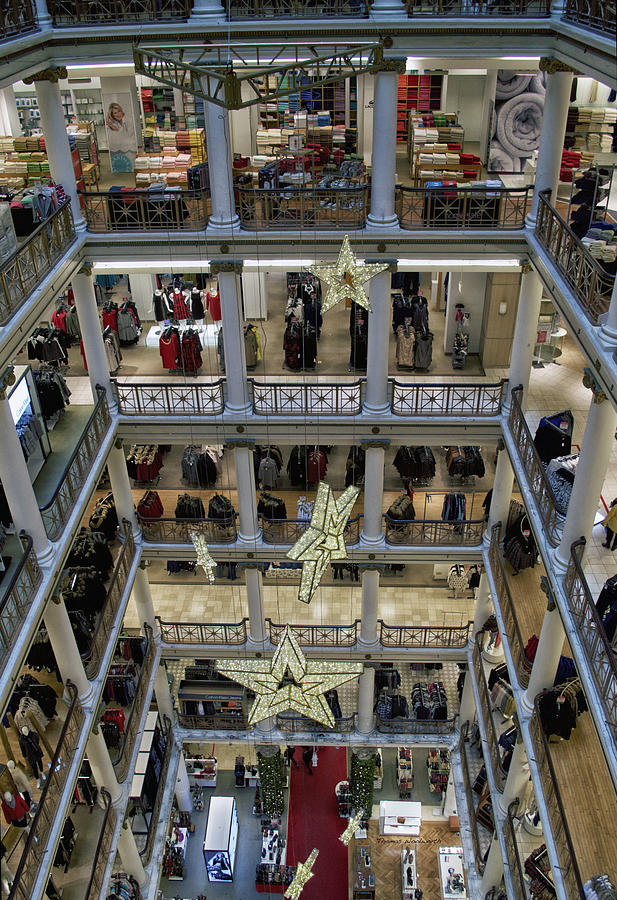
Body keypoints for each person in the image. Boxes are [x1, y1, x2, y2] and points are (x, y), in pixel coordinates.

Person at [105, 101, 135, 173]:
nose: (118, 114)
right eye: (115, 113)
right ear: (112, 115)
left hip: (130, 147)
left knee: (131, 166)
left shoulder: (128, 120)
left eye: (119, 111)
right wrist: (112, 126)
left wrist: (116, 129)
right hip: (118, 148)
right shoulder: (112, 124)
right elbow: (114, 137)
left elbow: (128, 134)